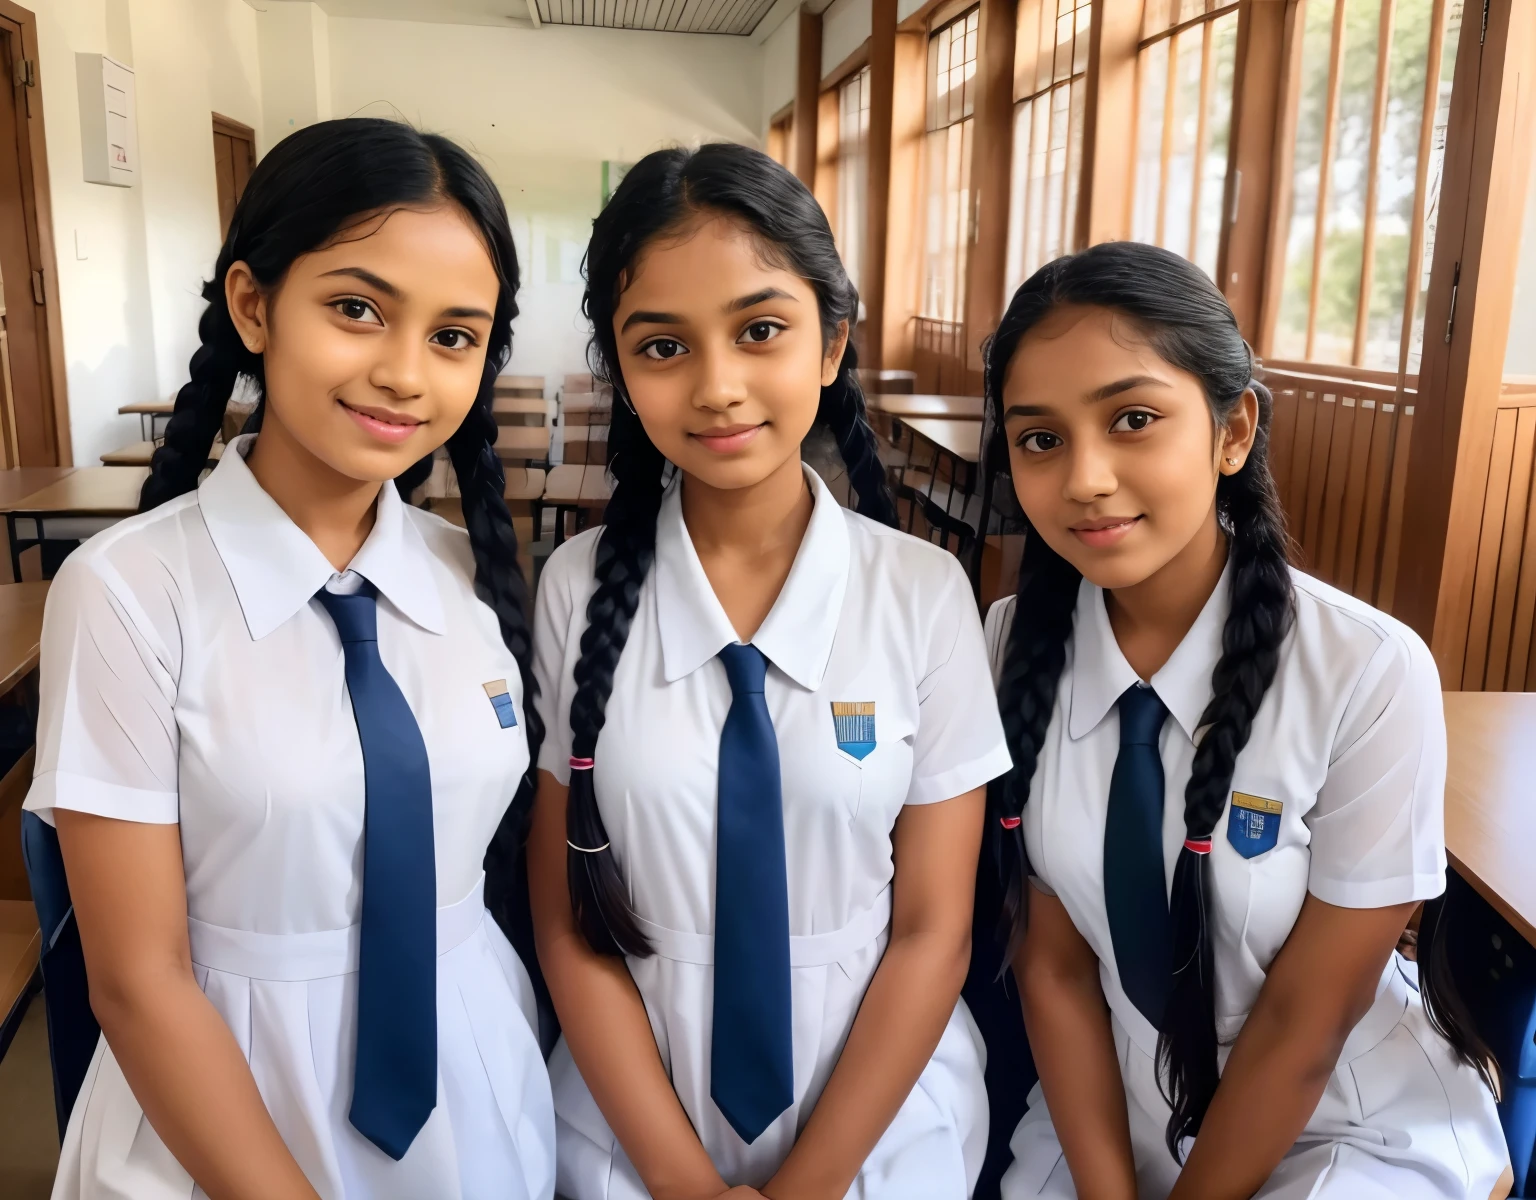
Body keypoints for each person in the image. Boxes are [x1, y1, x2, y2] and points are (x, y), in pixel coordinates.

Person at [26, 118, 555, 1200]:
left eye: (454, 336)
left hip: (476, 1085)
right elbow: (135, 980)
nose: (405, 374)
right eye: (357, 310)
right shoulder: (130, 591)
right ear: (255, 305)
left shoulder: (476, 578)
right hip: (218, 1116)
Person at [528, 143, 1012, 1199]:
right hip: (630, 1109)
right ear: (619, 364)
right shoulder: (574, 586)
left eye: (760, 331)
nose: (718, 388)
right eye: (662, 346)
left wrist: (815, 1181)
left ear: (831, 341)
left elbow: (935, 929)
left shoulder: (924, 595)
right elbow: (567, 918)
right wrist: (679, 1177)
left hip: (880, 1113)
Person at [983, 240, 1508, 1200]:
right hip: (1116, 1105)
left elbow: (1309, 1019)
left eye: (1133, 420)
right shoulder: (1010, 642)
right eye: (1040, 439)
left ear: (1233, 433)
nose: (1086, 478)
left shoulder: (1366, 671)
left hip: (1340, 1116)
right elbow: (1052, 965)